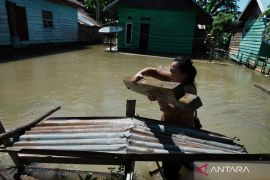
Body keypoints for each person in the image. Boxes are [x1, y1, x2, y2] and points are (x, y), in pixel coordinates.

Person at [133, 56, 200, 180]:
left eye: (173, 71)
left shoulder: (189, 91)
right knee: (178, 161)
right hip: (167, 127)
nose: (170, 74)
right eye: (170, 70)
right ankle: (186, 162)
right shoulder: (174, 77)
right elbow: (154, 71)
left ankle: (181, 166)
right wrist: (140, 73)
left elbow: (172, 112)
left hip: (181, 134)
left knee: (170, 173)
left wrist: (158, 96)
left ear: (184, 74)